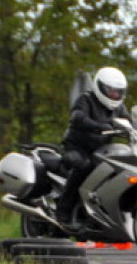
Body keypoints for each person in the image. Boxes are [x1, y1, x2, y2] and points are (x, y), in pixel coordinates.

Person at [56, 67, 131, 228]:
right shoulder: (86, 99)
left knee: (118, 169)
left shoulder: (119, 108)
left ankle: (103, 213)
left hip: (101, 150)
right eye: (111, 91)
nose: (115, 95)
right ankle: (63, 211)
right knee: (84, 166)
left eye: (118, 92)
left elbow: (129, 121)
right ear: (100, 87)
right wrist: (97, 126)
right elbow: (77, 117)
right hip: (77, 147)